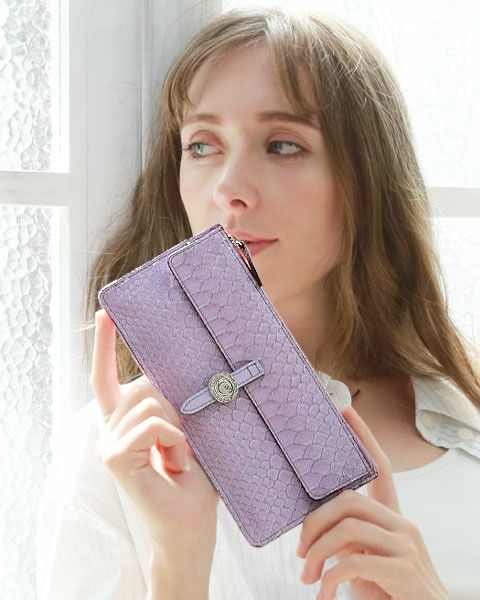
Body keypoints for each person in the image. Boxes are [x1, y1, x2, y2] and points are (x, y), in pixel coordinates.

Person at [36, 7, 480, 600]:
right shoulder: (126, 456)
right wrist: (178, 561)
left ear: (366, 179)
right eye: (202, 145)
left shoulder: (464, 411)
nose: (229, 190)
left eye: (282, 145)